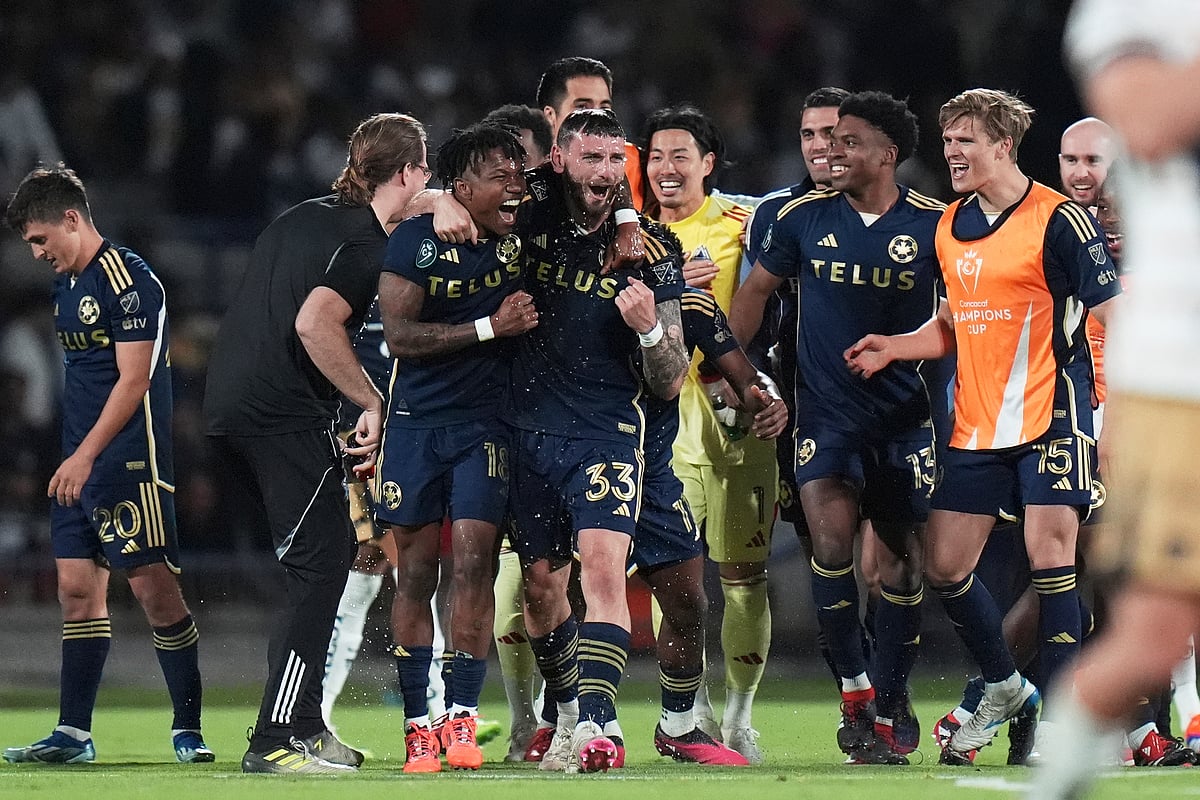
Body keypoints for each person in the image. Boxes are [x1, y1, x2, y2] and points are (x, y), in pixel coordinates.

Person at [844, 88, 1121, 765]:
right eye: (948, 142)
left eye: (966, 140)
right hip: (975, 424)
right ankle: (1003, 686)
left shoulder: (1060, 220)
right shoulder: (951, 225)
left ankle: (1059, 724)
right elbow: (951, 324)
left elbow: (1117, 310)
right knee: (945, 565)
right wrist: (893, 345)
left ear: (1004, 144)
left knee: (1051, 559)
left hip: (1053, 414)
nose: (953, 154)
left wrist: (1123, 417)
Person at [203, 112, 430, 775]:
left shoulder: (310, 216)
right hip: (277, 417)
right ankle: (276, 738)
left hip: (230, 410)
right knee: (322, 566)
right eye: (428, 171)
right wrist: (370, 399)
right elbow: (314, 324)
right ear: (409, 171)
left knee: (319, 558)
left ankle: (305, 726)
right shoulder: (365, 248)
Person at [731, 91, 946, 764]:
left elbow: (960, 315)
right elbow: (754, 293)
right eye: (826, 140)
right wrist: (731, 380)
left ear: (887, 154)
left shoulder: (936, 226)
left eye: (849, 141)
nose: (832, 151)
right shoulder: (799, 219)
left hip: (904, 420)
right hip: (822, 415)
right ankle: (855, 694)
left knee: (905, 563)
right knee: (829, 545)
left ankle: (892, 693)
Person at [1030, 6, 1200, 793]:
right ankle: (1062, 772)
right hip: (1181, 378)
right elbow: (1152, 119)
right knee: (1155, 634)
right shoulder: (1136, 10)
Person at [2, 165, 212, 765]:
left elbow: (135, 379)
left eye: (42, 239)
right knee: (75, 591)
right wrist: (74, 457)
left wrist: (85, 455)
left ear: (72, 218)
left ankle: (188, 727)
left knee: (154, 593)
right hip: (78, 462)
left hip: (127, 462)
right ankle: (73, 732)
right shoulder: (65, 288)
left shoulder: (128, 280)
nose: (38, 253)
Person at [505, 108, 689, 773]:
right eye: (592, 160)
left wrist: (647, 330)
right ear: (560, 161)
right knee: (539, 590)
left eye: (617, 161)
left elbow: (668, 381)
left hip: (606, 432)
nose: (607, 175)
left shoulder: (655, 248)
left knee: (605, 569)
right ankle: (566, 716)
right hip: (525, 430)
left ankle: (600, 724)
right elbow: (469, 190)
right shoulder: (526, 222)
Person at [376, 122, 535, 773]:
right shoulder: (417, 242)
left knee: (473, 569)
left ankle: (462, 721)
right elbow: (400, 336)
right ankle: (420, 725)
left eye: (518, 174)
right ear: (462, 186)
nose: (515, 187)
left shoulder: (520, 239)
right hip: (415, 427)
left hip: (484, 429)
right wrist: (488, 328)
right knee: (415, 575)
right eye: (500, 176)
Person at [642, 103, 775, 762]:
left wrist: (770, 384)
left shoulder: (746, 220)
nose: (666, 169)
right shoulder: (632, 235)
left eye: (679, 156)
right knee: (679, 575)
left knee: (744, 577)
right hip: (672, 423)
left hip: (740, 417)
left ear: (708, 164)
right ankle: (687, 706)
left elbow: (782, 297)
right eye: (657, 156)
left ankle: (742, 713)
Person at [1058, 117, 1117, 209]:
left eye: (1093, 160)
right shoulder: (1042, 217)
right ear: (1060, 163)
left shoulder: (1142, 218)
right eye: (1071, 160)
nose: (1080, 175)